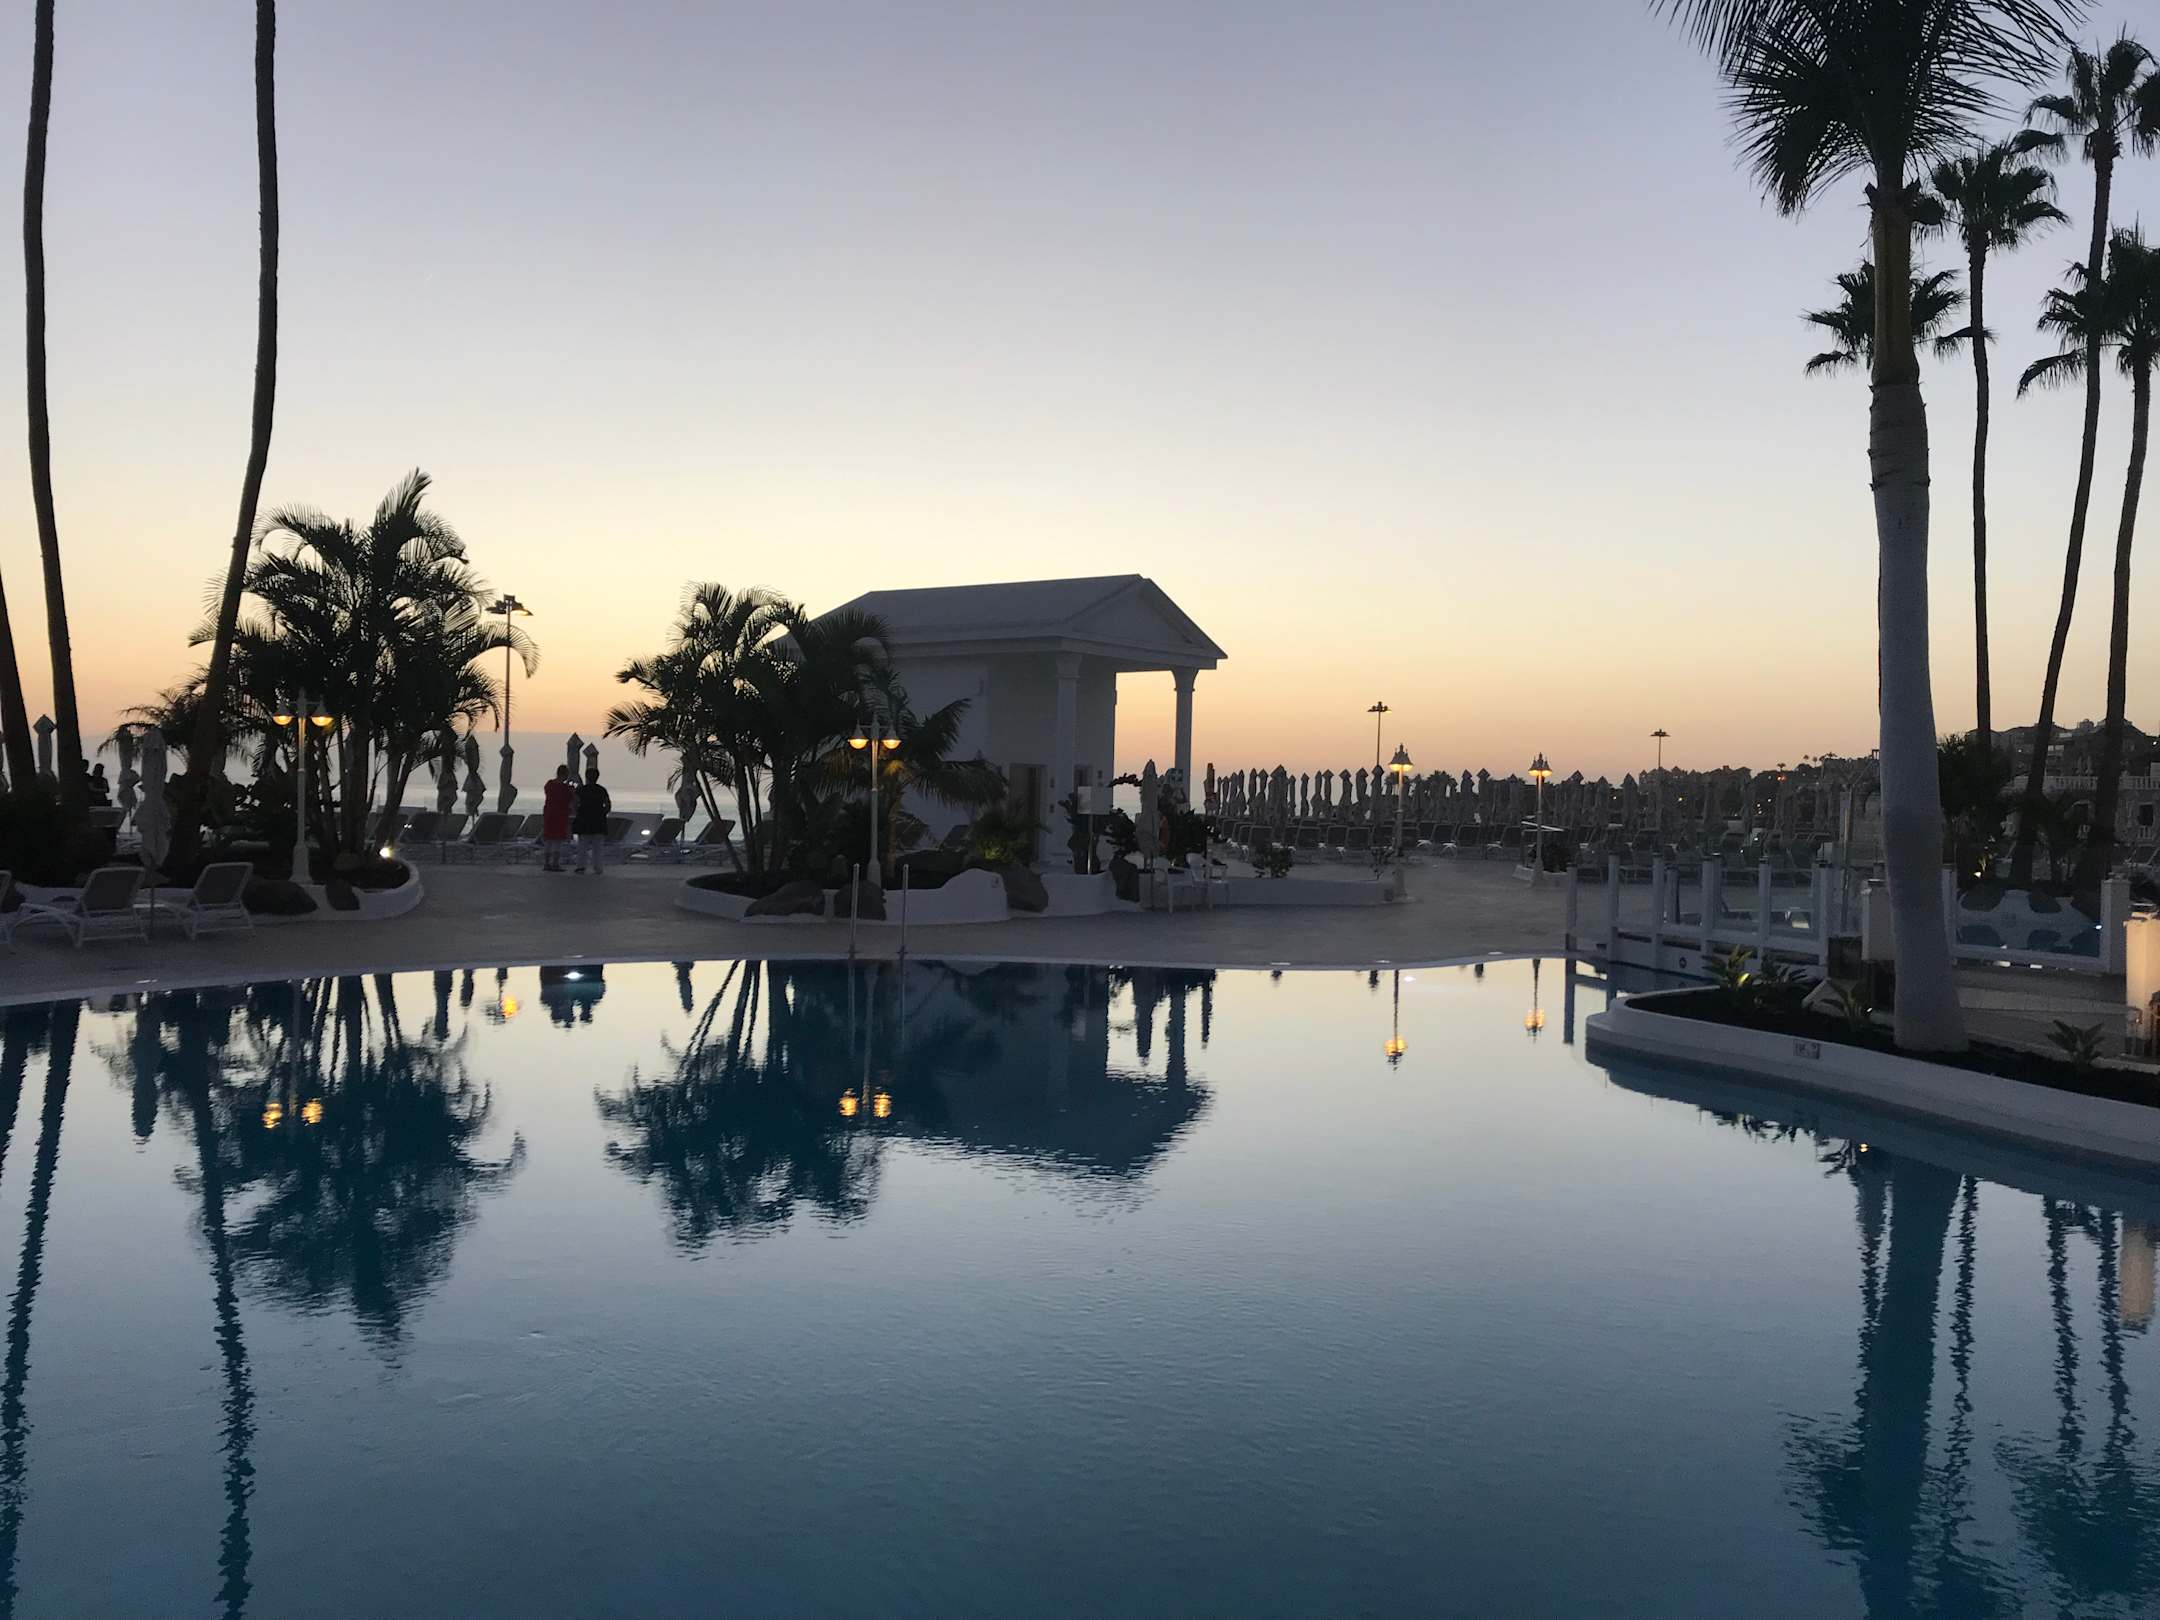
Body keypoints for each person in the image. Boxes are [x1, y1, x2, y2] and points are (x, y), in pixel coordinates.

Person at [572, 766, 612, 874]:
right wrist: (603, 813)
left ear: (586, 777)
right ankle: (598, 868)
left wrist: (578, 813)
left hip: (584, 820)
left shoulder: (581, 790)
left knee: (582, 846)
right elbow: (608, 804)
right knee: (598, 847)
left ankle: (581, 866)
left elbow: (574, 803)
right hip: (599, 821)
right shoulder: (602, 790)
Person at [541, 764, 575, 872]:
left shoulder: (549, 784)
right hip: (560, 815)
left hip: (549, 814)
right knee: (557, 840)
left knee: (549, 840)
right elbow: (569, 800)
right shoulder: (565, 788)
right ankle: (555, 863)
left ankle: (546, 863)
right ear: (565, 774)